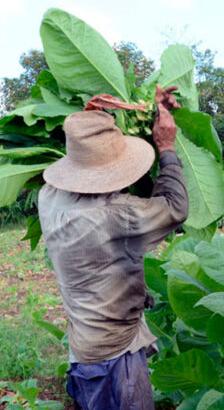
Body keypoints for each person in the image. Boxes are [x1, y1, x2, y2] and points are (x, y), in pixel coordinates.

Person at [38, 85, 188, 409]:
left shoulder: (48, 198)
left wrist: (121, 111)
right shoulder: (115, 215)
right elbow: (175, 206)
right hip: (117, 360)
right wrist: (166, 145)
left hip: (81, 352)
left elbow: (89, 150)